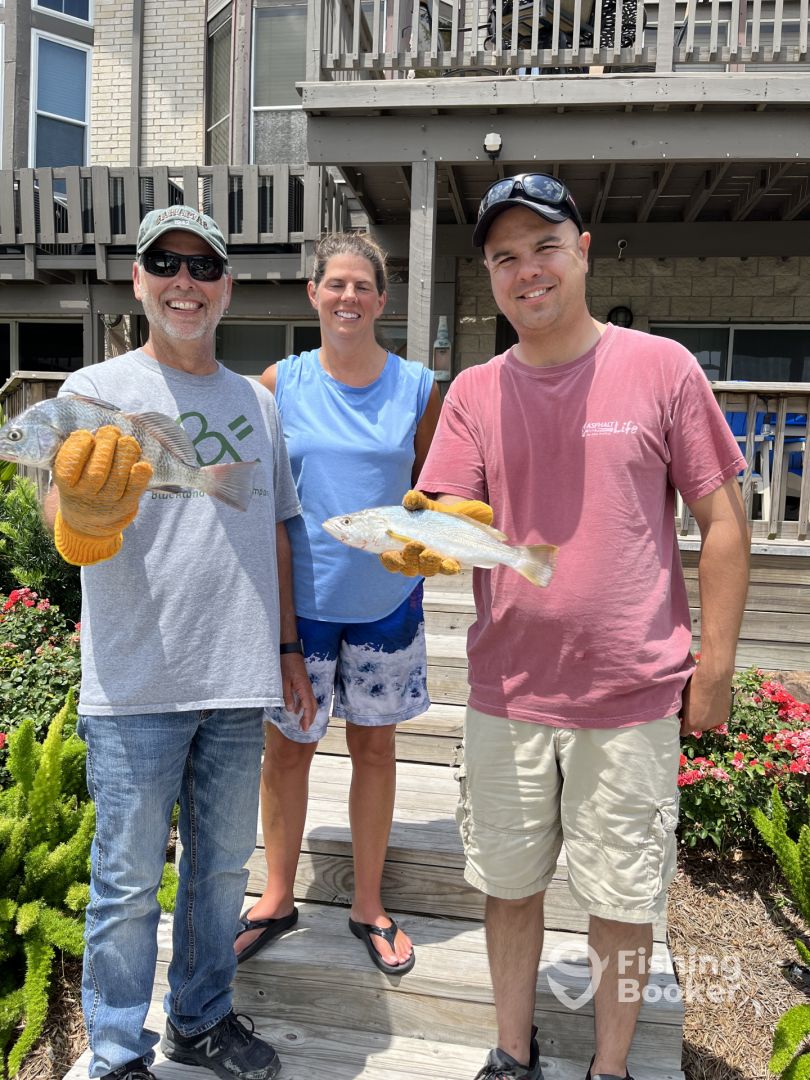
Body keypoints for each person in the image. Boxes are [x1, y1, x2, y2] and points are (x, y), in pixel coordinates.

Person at [385, 174, 750, 1080]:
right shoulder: (474, 392)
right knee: (508, 888)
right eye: (504, 256)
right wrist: (422, 541)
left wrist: (713, 669)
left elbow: (725, 523)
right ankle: (513, 1051)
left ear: (582, 251)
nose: (527, 270)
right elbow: (449, 511)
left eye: (545, 246)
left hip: (630, 695)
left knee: (625, 900)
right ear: (491, 275)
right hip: (509, 691)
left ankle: (609, 1067)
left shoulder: (662, 368)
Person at [43, 205, 317, 1080]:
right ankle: (116, 1051)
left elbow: (276, 531)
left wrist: (287, 650)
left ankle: (200, 1021)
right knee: (126, 883)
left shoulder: (257, 403)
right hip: (134, 684)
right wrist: (78, 519)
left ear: (227, 287)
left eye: (203, 267)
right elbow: (56, 511)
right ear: (138, 280)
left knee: (221, 871)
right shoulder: (93, 388)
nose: (184, 281)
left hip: (237, 676)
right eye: (165, 263)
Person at [233, 232, 441, 976]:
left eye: (363, 286)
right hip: (301, 605)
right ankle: (276, 895)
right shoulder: (278, 383)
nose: (348, 297)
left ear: (382, 300)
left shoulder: (419, 387)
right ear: (313, 293)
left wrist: (434, 538)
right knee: (288, 750)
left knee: (375, 750)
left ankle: (368, 903)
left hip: (388, 601)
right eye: (336, 284)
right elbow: (250, 491)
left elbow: (433, 489)